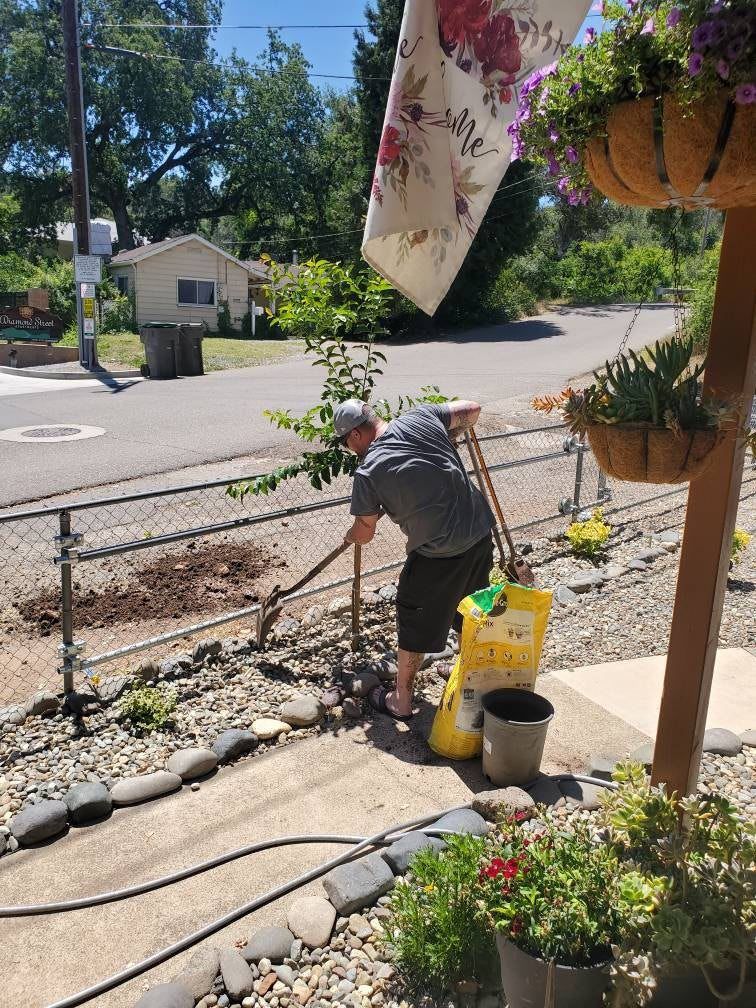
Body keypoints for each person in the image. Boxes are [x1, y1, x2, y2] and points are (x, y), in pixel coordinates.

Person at [335, 397, 495, 721]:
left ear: (354, 436)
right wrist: (453, 434)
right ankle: (467, 674)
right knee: (471, 606)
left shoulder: (368, 472)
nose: (350, 449)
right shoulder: (422, 417)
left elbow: (365, 533)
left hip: (438, 553)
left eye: (346, 443)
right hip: (479, 532)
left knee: (411, 613)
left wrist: (352, 534)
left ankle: (402, 700)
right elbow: (473, 409)